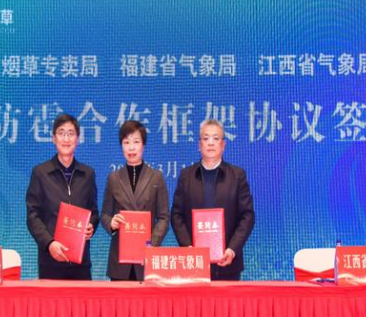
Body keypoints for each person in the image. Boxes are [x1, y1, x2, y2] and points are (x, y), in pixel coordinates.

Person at [171, 119, 255, 280]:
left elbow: (247, 216)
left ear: (223, 145)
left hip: (228, 263)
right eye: (206, 138)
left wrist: (232, 249)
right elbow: (176, 214)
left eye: (216, 139)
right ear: (199, 145)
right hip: (194, 264)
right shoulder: (186, 176)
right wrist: (187, 246)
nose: (210, 143)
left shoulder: (237, 176)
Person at [26, 113, 99, 280]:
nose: (66, 138)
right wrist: (49, 243)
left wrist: (91, 227)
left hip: (81, 261)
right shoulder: (40, 173)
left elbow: (94, 212)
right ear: (53, 138)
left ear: (77, 139)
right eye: (61, 133)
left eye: (71, 133)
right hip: (50, 260)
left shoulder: (87, 174)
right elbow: (32, 216)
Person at [101, 120, 170, 280]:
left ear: (143, 145)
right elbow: (104, 214)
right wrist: (111, 223)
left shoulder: (156, 177)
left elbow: (164, 217)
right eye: (126, 142)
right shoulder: (114, 178)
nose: (131, 148)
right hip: (120, 259)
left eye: (136, 142)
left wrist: (151, 244)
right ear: (121, 146)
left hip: (146, 257)